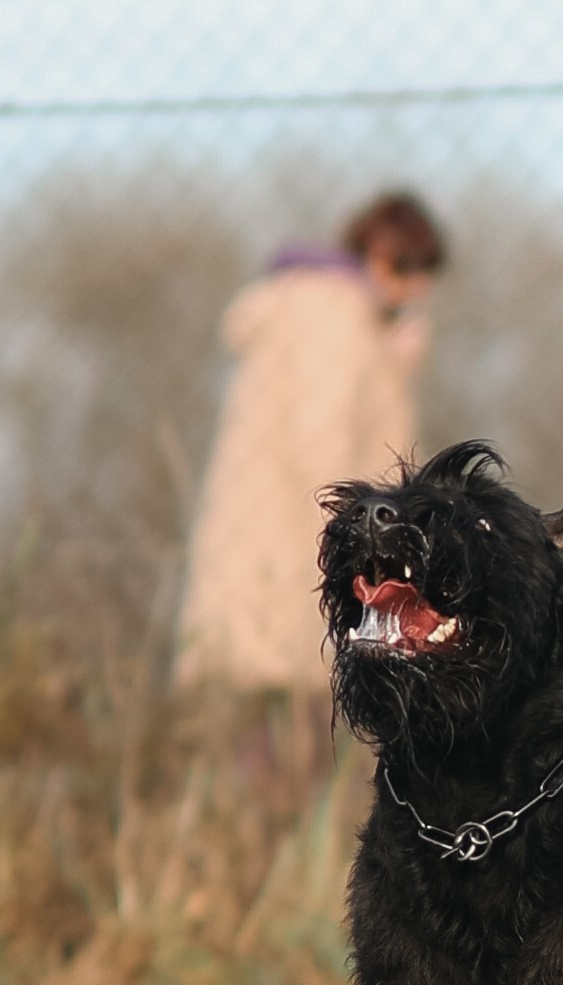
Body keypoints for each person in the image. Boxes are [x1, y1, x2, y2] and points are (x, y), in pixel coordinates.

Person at [174, 192, 447, 692]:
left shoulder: (323, 311)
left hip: (268, 534)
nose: (418, 289)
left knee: (248, 689)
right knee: (289, 696)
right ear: (378, 257)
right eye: (408, 269)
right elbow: (324, 443)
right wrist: (368, 540)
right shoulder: (336, 316)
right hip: (297, 545)